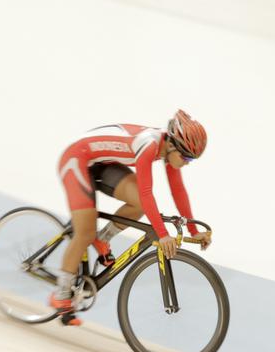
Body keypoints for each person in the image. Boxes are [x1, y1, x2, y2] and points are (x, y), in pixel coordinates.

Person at [52, 110, 212, 325]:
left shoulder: (168, 148)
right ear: (174, 145)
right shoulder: (149, 145)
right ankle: (60, 295)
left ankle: (103, 239)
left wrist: (193, 230)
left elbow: (178, 190)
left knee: (138, 204)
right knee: (85, 232)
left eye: (191, 159)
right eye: (186, 157)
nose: (187, 163)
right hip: (76, 159)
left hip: (101, 163)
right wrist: (163, 235)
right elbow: (148, 193)